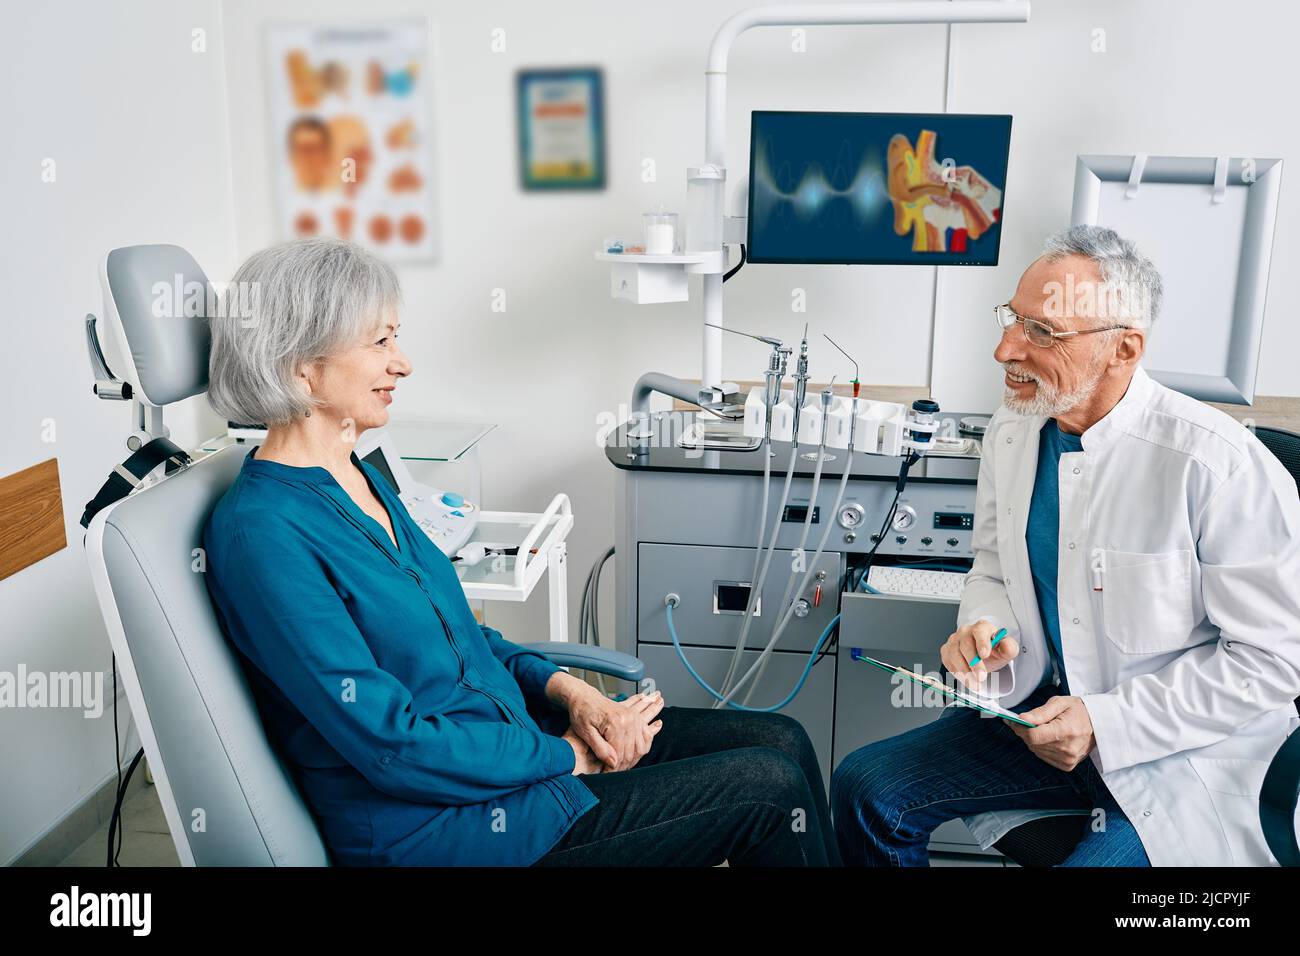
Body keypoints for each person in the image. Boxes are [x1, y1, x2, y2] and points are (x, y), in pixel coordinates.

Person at [203, 237, 839, 866]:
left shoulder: (357, 473)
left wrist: (574, 695)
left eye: (396, 337)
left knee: (780, 739)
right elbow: (392, 745)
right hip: (449, 830)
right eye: (380, 342)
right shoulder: (263, 535)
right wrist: (567, 755)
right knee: (770, 791)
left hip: (514, 753)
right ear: (300, 366)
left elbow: (466, 639)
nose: (403, 363)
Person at [831, 225, 1300, 866]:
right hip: (1040, 724)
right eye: (1012, 320)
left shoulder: (1216, 464)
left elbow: (1271, 664)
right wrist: (985, 628)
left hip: (1178, 749)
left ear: (1124, 348)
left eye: (1041, 332)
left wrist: (1106, 722)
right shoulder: (1014, 430)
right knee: (867, 788)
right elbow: (994, 565)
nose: (1003, 349)